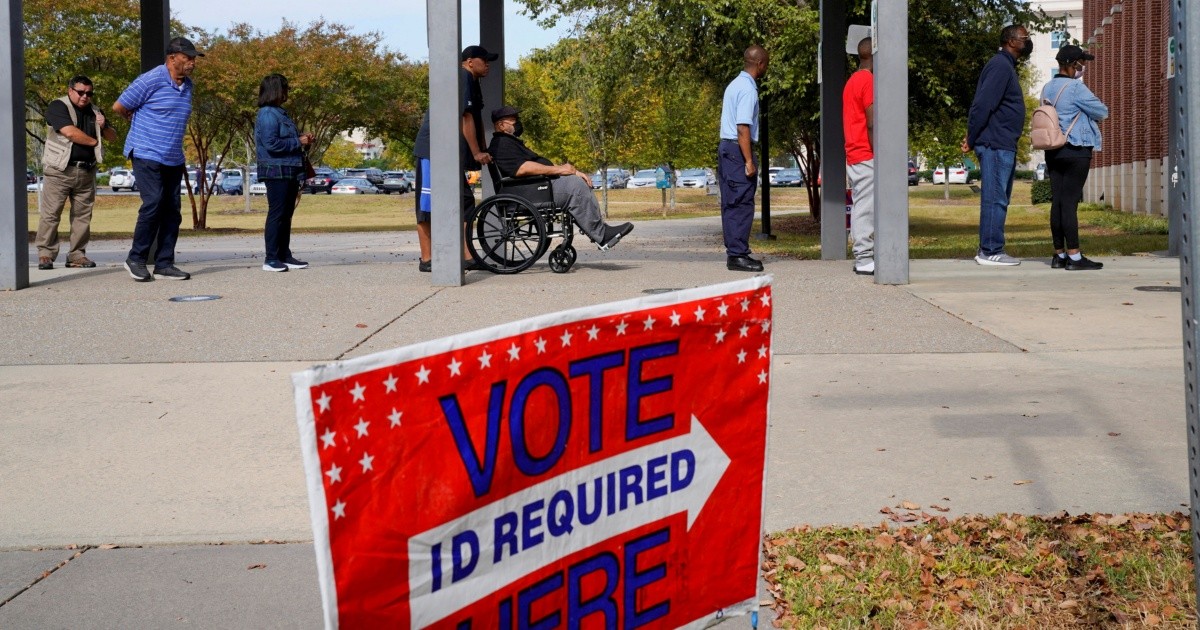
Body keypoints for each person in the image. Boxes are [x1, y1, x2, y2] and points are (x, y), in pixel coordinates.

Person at [113, 36, 202, 281]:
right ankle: (135, 259)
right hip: (146, 151)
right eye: (187, 57)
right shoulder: (151, 79)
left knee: (172, 210)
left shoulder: (188, 85)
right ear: (172, 58)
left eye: (194, 58)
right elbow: (120, 106)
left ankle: (164, 264)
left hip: (172, 156)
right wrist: (134, 120)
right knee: (153, 202)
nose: (192, 62)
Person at [488, 106, 633, 248]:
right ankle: (602, 234)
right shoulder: (501, 144)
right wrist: (560, 170)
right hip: (530, 192)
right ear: (501, 125)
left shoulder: (510, 142)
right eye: (514, 119)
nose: (518, 122)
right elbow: (521, 169)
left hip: (536, 187)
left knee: (577, 180)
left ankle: (600, 230)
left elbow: (535, 164)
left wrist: (573, 171)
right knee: (575, 187)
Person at [412, 45, 497, 272]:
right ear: (469, 62)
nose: (487, 64)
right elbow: (465, 117)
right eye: (484, 60)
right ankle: (427, 259)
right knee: (427, 206)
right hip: (432, 150)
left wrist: (484, 148)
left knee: (465, 201)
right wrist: (477, 152)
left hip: (448, 152)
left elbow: (476, 118)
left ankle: (467, 256)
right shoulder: (462, 76)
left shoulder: (473, 82)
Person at [964, 24, 1031, 267]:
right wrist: (972, 137)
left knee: (1000, 198)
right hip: (995, 144)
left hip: (1002, 143)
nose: (1028, 41)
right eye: (1024, 37)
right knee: (995, 199)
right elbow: (983, 104)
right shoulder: (1000, 65)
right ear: (1011, 41)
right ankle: (990, 250)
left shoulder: (1005, 66)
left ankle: (989, 247)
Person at [34, 75, 117, 270]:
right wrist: (95, 142)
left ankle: (77, 255)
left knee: (83, 217)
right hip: (59, 170)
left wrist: (104, 125)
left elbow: (112, 137)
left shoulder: (96, 111)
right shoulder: (58, 106)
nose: (85, 96)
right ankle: (46, 254)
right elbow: (70, 132)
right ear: (70, 90)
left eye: (89, 93)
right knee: (51, 214)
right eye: (80, 92)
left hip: (86, 171)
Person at [1044, 45, 1108, 271]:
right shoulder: (1076, 88)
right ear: (1073, 64)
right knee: (1070, 203)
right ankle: (1075, 256)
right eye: (1082, 63)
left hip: (1053, 150)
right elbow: (1102, 111)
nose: (1083, 67)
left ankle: (1059, 255)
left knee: (1058, 202)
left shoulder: (1047, 87)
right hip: (1076, 149)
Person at [255, 73, 314, 272]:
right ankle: (271, 258)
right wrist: (298, 141)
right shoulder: (267, 114)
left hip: (289, 169)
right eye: (285, 88)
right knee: (277, 213)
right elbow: (271, 144)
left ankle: (284, 255)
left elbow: (283, 140)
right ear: (276, 90)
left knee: (286, 214)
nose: (287, 92)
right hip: (275, 170)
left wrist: (303, 140)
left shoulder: (280, 113)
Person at [718, 45, 769, 272]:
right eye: (766, 64)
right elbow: (742, 127)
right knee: (741, 202)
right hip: (737, 150)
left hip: (727, 148)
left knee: (731, 202)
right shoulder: (748, 89)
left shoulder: (734, 84)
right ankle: (738, 255)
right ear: (759, 64)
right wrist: (748, 160)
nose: (766, 68)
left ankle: (735, 252)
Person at [843, 38, 875, 276]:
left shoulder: (852, 81)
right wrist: (880, 153)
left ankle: (864, 256)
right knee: (865, 206)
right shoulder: (868, 80)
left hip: (855, 152)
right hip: (866, 153)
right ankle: (864, 258)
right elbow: (872, 122)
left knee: (861, 204)